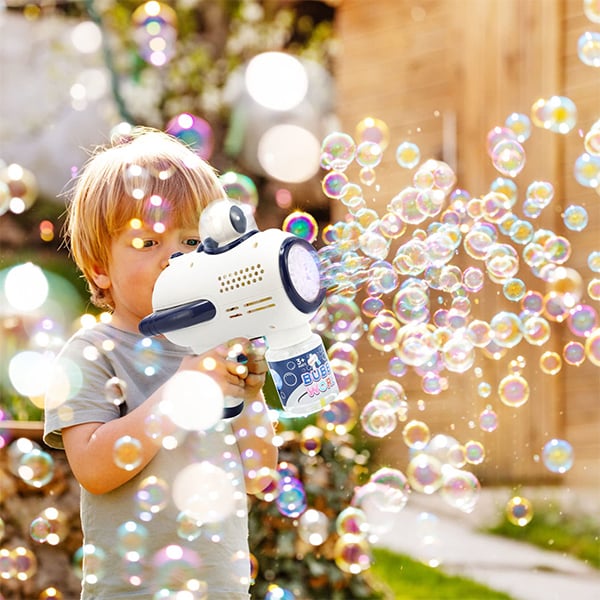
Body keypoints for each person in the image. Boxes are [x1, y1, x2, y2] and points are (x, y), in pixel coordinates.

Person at [44, 127, 278, 599]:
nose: (175, 257)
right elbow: (92, 467)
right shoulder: (93, 353)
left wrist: (250, 399)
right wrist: (179, 395)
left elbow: (261, 476)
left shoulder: (215, 350)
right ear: (99, 268)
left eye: (192, 240)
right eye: (147, 243)